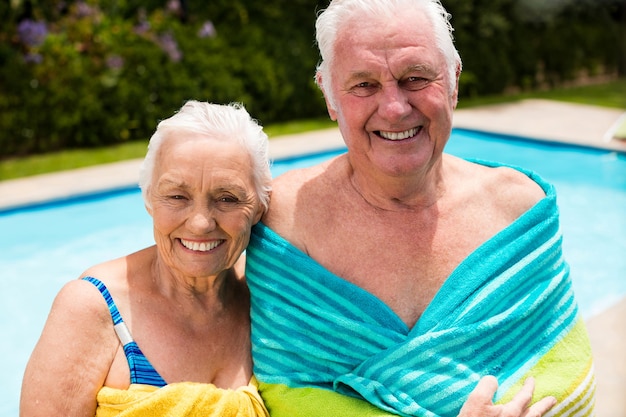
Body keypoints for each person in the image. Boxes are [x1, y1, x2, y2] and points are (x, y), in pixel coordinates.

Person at [244, 0, 596, 416]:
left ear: (453, 82)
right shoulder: (281, 223)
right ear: (329, 95)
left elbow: (566, 377)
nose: (394, 108)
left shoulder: (518, 212)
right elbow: (284, 396)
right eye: (364, 85)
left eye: (415, 78)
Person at [20, 101, 272, 417]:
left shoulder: (266, 299)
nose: (200, 223)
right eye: (178, 196)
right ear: (149, 198)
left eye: (227, 199)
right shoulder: (94, 308)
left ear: (260, 207)